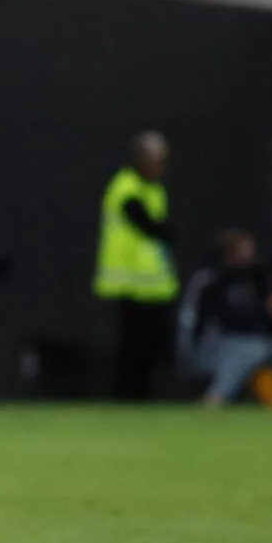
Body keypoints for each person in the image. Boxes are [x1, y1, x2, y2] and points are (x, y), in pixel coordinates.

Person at [93, 131, 178, 401]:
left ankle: (144, 396)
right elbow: (146, 224)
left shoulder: (155, 189)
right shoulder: (125, 187)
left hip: (154, 284)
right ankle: (125, 396)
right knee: (131, 344)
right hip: (129, 281)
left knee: (151, 346)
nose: (159, 166)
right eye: (155, 159)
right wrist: (166, 232)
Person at [193, 229, 272, 406]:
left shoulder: (258, 275)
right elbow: (222, 317)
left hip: (263, 342)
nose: (249, 254)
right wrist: (265, 310)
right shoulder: (218, 280)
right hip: (230, 342)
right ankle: (217, 395)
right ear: (231, 252)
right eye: (243, 249)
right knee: (250, 350)